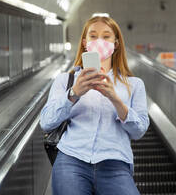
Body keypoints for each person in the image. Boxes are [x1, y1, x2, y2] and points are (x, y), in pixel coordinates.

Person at [40, 16, 149, 195]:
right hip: (71, 159)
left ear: (116, 43)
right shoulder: (65, 80)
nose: (99, 41)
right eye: (93, 36)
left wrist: (115, 98)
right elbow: (46, 122)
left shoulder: (134, 84)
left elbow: (139, 130)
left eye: (106, 36)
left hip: (115, 163)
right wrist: (74, 93)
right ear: (84, 43)